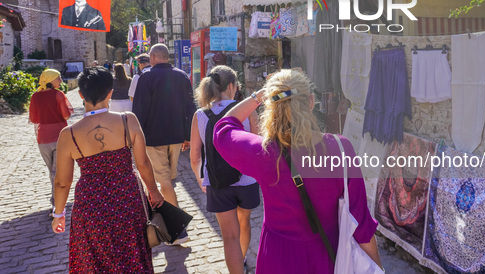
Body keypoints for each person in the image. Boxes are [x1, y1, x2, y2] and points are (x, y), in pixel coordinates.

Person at [214, 70, 383, 273]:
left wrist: (258, 96)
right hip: (326, 256)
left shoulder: (264, 152)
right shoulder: (340, 148)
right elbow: (361, 224)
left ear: (271, 107)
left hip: (277, 257)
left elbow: (223, 128)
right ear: (311, 102)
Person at [52, 67, 164, 272]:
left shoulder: (68, 134)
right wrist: (154, 191)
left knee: (94, 258)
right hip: (127, 198)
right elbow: (143, 163)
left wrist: (58, 213)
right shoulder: (128, 120)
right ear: (110, 93)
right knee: (132, 253)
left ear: (80, 94)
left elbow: (62, 182)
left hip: (90, 204)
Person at [190, 66, 260, 273]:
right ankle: (244, 259)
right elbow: (258, 146)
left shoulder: (200, 115)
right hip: (246, 180)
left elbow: (194, 155)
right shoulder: (248, 111)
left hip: (216, 182)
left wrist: (200, 179)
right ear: (231, 86)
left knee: (229, 236)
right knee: (244, 222)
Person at [132, 44, 196, 244]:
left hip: (154, 137)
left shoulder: (147, 77)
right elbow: (190, 107)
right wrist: (188, 135)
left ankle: (178, 230)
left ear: (152, 57)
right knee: (167, 178)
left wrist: (135, 138)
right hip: (176, 136)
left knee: (165, 181)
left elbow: (139, 110)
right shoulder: (182, 76)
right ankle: (171, 220)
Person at [29, 69, 74, 212]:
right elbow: (66, 116)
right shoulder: (58, 94)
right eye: (58, 78)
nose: (61, 81)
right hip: (60, 136)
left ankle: (55, 200)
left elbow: (34, 119)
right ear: (50, 80)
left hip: (43, 139)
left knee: (52, 171)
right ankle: (57, 202)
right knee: (59, 171)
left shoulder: (35, 96)